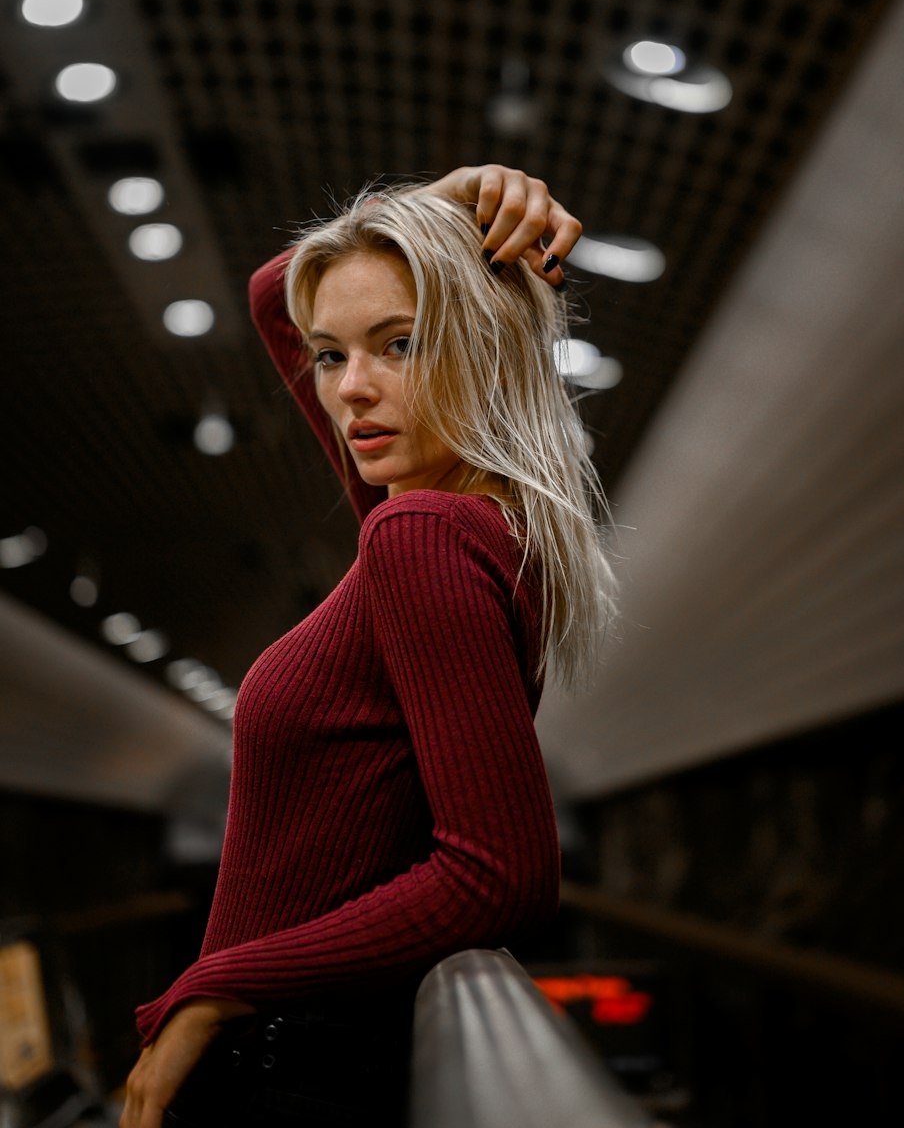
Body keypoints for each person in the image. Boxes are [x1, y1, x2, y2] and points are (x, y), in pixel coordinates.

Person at [121, 165, 617, 1128]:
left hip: (287, 1065)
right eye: (330, 354)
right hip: (323, 1055)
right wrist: (446, 195)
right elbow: (278, 295)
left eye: (401, 343)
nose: (352, 390)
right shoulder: (460, 517)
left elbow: (501, 875)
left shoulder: (419, 533)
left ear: (486, 344)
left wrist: (212, 988)